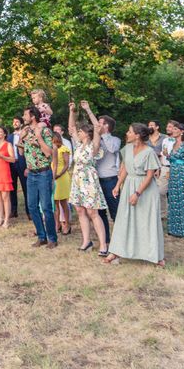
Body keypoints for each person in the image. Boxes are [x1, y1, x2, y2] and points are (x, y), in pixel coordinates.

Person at [103, 124, 165, 267]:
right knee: (124, 219)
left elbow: (150, 176)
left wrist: (137, 193)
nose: (127, 133)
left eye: (129, 131)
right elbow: (125, 168)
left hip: (145, 190)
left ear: (137, 135)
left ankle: (156, 255)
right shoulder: (127, 149)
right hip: (129, 186)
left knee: (147, 221)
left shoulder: (149, 152)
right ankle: (116, 251)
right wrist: (118, 185)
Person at [68, 101, 109, 257]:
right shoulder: (78, 145)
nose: (78, 132)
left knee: (93, 212)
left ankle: (103, 245)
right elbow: (71, 128)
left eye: (81, 131)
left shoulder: (94, 146)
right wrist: (72, 111)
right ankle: (86, 242)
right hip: (77, 179)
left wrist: (88, 109)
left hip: (89, 180)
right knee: (80, 210)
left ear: (87, 133)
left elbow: (97, 128)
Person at [20, 106, 58, 248]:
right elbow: (22, 153)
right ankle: (41, 237)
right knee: (32, 206)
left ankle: (52, 239)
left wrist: (39, 138)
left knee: (46, 207)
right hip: (31, 174)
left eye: (25, 115)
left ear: (33, 117)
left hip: (43, 173)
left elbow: (49, 153)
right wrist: (21, 137)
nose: (23, 117)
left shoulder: (45, 131)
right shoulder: (27, 131)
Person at [95, 113, 120, 243]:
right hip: (97, 180)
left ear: (107, 126)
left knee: (115, 211)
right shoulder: (96, 139)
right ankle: (106, 239)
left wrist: (103, 134)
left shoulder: (115, 140)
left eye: (101, 123)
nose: (98, 125)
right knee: (100, 212)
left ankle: (119, 239)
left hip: (111, 180)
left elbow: (112, 149)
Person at [52, 132, 72, 235]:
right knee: (55, 202)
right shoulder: (51, 149)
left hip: (62, 176)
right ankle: (57, 224)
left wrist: (59, 174)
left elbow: (67, 164)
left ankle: (67, 224)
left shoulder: (63, 149)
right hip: (52, 175)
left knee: (63, 202)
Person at [148, 120, 169, 217]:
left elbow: (167, 153)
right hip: (148, 166)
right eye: (148, 125)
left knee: (161, 191)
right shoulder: (145, 138)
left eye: (151, 125)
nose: (149, 127)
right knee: (149, 190)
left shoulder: (165, 138)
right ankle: (151, 212)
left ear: (157, 127)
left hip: (161, 166)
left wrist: (159, 167)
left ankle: (162, 213)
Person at [9, 116, 28, 219]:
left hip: (23, 164)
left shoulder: (25, 134)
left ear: (21, 124)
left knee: (26, 188)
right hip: (12, 164)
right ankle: (13, 210)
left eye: (17, 122)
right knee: (12, 188)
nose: (15, 123)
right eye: (14, 122)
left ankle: (29, 211)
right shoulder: (9, 137)